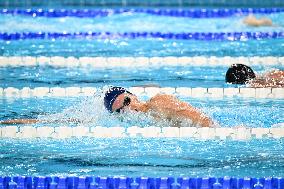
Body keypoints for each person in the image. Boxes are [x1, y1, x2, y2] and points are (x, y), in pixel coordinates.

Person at [1, 87, 215, 127]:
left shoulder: (159, 102)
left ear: (133, 95)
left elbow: (204, 120)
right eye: (121, 110)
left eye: (127, 102)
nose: (128, 110)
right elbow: (67, 122)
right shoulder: (126, 124)